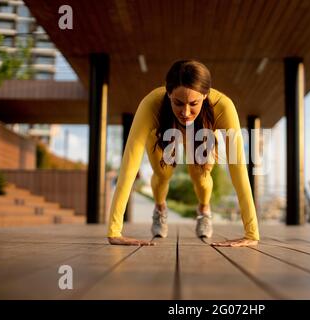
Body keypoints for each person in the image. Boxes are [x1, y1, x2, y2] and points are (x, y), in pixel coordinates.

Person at [107, 59, 260, 247]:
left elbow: (239, 171)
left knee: (201, 175)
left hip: (201, 134)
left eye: (193, 103)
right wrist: (114, 231)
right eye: (178, 103)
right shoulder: (150, 104)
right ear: (169, 93)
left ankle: (204, 210)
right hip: (162, 132)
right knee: (163, 173)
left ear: (205, 95)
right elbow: (129, 167)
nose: (186, 112)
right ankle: (160, 208)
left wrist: (251, 234)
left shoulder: (224, 107)